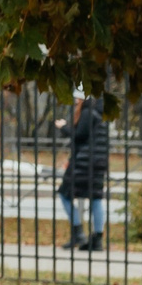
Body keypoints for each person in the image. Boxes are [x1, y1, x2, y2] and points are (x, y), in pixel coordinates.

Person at [58, 93, 109, 251]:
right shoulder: (103, 113)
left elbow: (80, 136)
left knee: (65, 194)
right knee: (95, 198)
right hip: (99, 162)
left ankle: (78, 232)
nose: (75, 102)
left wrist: (64, 127)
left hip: (84, 163)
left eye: (76, 98)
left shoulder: (87, 112)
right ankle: (97, 239)